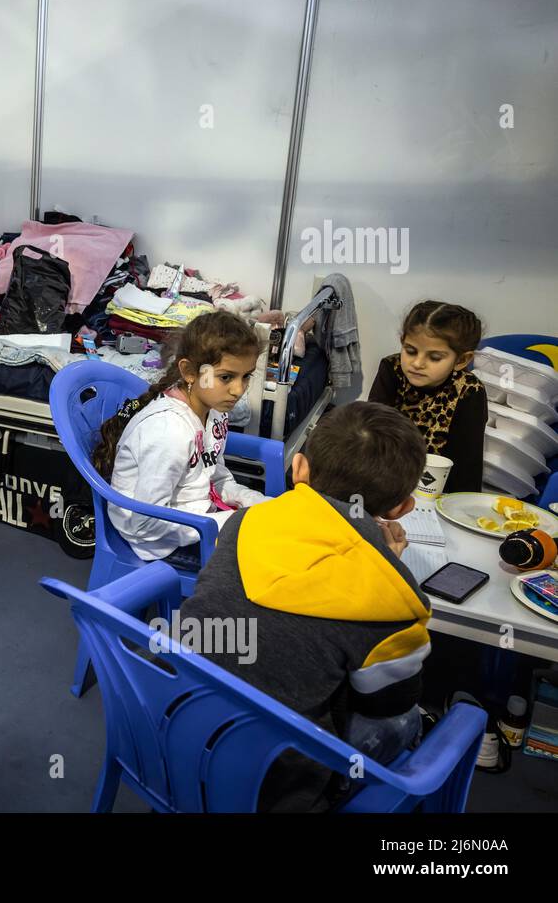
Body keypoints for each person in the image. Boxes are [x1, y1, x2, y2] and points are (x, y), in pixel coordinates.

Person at [179, 401, 431, 811]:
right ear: (401, 508)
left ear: (299, 469)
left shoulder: (245, 523)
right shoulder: (396, 601)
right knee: (408, 720)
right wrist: (388, 564)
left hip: (174, 729)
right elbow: (386, 705)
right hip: (276, 787)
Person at [90, 311, 267, 567]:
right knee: (261, 567)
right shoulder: (169, 432)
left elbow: (213, 476)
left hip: (194, 517)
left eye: (246, 376)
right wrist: (226, 523)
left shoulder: (214, 411)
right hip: (156, 542)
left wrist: (257, 503)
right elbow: (145, 523)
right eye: (226, 377)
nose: (239, 390)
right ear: (189, 372)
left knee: (276, 534)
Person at [368, 300, 487, 494]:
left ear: (462, 360)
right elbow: (372, 435)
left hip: (438, 491)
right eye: (410, 351)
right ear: (402, 342)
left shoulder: (469, 391)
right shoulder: (392, 369)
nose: (417, 363)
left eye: (434, 357)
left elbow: (467, 465)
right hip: (384, 480)